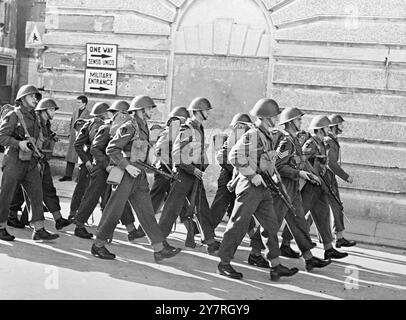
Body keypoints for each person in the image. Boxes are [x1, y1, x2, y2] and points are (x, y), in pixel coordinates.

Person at [91, 95, 181, 262]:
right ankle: (98, 245)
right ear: (140, 110)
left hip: (138, 176)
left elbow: (139, 153)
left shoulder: (143, 127)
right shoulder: (129, 126)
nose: (151, 111)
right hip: (126, 175)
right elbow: (112, 149)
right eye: (149, 108)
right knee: (114, 210)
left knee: (147, 212)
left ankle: (159, 248)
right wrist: (127, 166)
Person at [217, 98, 299, 281]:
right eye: (274, 116)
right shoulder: (252, 135)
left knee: (271, 226)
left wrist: (275, 177)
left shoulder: (267, 136)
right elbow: (234, 156)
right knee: (238, 225)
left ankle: (275, 265)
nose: (277, 119)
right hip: (250, 187)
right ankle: (223, 263)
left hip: (263, 188)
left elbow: (268, 162)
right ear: (265, 117)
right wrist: (252, 175)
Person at [269, 107, 332, 271]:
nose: (300, 122)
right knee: (270, 225)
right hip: (284, 189)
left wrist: (309, 173)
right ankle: (256, 252)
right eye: (298, 120)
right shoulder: (286, 142)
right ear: (290, 122)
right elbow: (278, 166)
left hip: (293, 188)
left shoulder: (295, 140)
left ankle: (309, 259)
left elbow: (300, 161)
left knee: (299, 223)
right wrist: (300, 173)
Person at [280, 115, 349, 260]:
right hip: (310, 187)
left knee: (323, 216)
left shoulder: (322, 143)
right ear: (320, 129)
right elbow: (301, 159)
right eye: (325, 127)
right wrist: (311, 172)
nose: (328, 130)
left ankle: (328, 248)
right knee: (298, 217)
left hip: (320, 186)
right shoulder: (311, 143)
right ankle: (285, 244)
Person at [158, 97, 220, 254]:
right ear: (198, 112)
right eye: (206, 111)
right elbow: (177, 155)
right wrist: (193, 169)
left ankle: (211, 242)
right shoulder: (187, 129)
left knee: (203, 208)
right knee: (172, 209)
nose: (208, 113)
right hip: (184, 175)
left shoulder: (199, 128)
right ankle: (159, 243)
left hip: (194, 176)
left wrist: (203, 166)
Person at [73, 100, 139, 242]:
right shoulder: (106, 128)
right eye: (124, 114)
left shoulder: (123, 129)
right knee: (92, 196)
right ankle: (79, 225)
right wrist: (106, 165)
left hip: (115, 168)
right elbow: (94, 149)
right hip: (101, 168)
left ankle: (130, 229)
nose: (127, 117)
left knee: (118, 199)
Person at [0, 85, 58, 241]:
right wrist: (18, 143)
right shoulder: (13, 115)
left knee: (36, 194)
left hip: (30, 161)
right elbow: (2, 137)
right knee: (6, 194)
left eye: (36, 97)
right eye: (32, 96)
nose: (35, 99)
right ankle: (1, 227)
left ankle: (38, 229)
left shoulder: (35, 116)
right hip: (14, 160)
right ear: (22, 98)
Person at [151, 106, 193, 246]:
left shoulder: (178, 131)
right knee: (155, 201)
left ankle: (192, 233)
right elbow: (159, 150)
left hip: (172, 171)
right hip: (164, 170)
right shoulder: (170, 130)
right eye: (183, 120)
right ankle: (142, 229)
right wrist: (169, 166)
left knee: (179, 202)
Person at [68, 102, 110, 222]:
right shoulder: (88, 125)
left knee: (103, 190)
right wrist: (86, 161)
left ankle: (104, 215)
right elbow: (77, 145)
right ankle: (73, 213)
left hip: (102, 161)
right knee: (82, 188)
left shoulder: (108, 126)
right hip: (89, 161)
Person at [325, 114, 356, 248]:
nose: (342, 127)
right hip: (326, 178)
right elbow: (331, 163)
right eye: (340, 125)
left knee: (317, 209)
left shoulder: (332, 140)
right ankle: (339, 238)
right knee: (334, 206)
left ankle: (339, 237)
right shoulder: (329, 142)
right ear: (334, 127)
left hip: (328, 178)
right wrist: (345, 176)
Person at [59, 95, 90, 182]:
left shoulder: (88, 114)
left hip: (82, 138)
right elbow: (71, 122)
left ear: (84, 103)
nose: (77, 104)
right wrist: (69, 133)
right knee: (70, 158)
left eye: (79, 102)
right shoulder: (75, 112)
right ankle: (68, 175)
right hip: (73, 137)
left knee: (81, 158)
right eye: (77, 102)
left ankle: (80, 177)